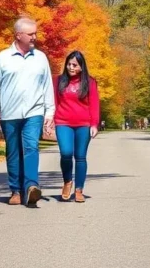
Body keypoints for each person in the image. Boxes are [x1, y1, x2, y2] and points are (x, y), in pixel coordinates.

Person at [0, 17, 56, 208]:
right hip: (9, 114)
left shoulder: (40, 57)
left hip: (34, 112)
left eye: (36, 33)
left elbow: (47, 86)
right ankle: (16, 190)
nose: (35, 37)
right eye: (31, 34)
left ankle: (32, 185)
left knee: (31, 147)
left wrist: (49, 113)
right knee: (13, 152)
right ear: (18, 35)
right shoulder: (2, 58)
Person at [53, 50, 100, 203]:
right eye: (69, 64)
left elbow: (94, 104)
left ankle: (79, 189)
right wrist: (50, 120)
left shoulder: (90, 82)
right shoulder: (58, 81)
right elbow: (54, 101)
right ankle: (67, 182)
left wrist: (94, 124)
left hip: (83, 124)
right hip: (63, 122)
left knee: (80, 157)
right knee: (66, 153)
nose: (71, 67)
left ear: (81, 67)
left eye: (75, 65)